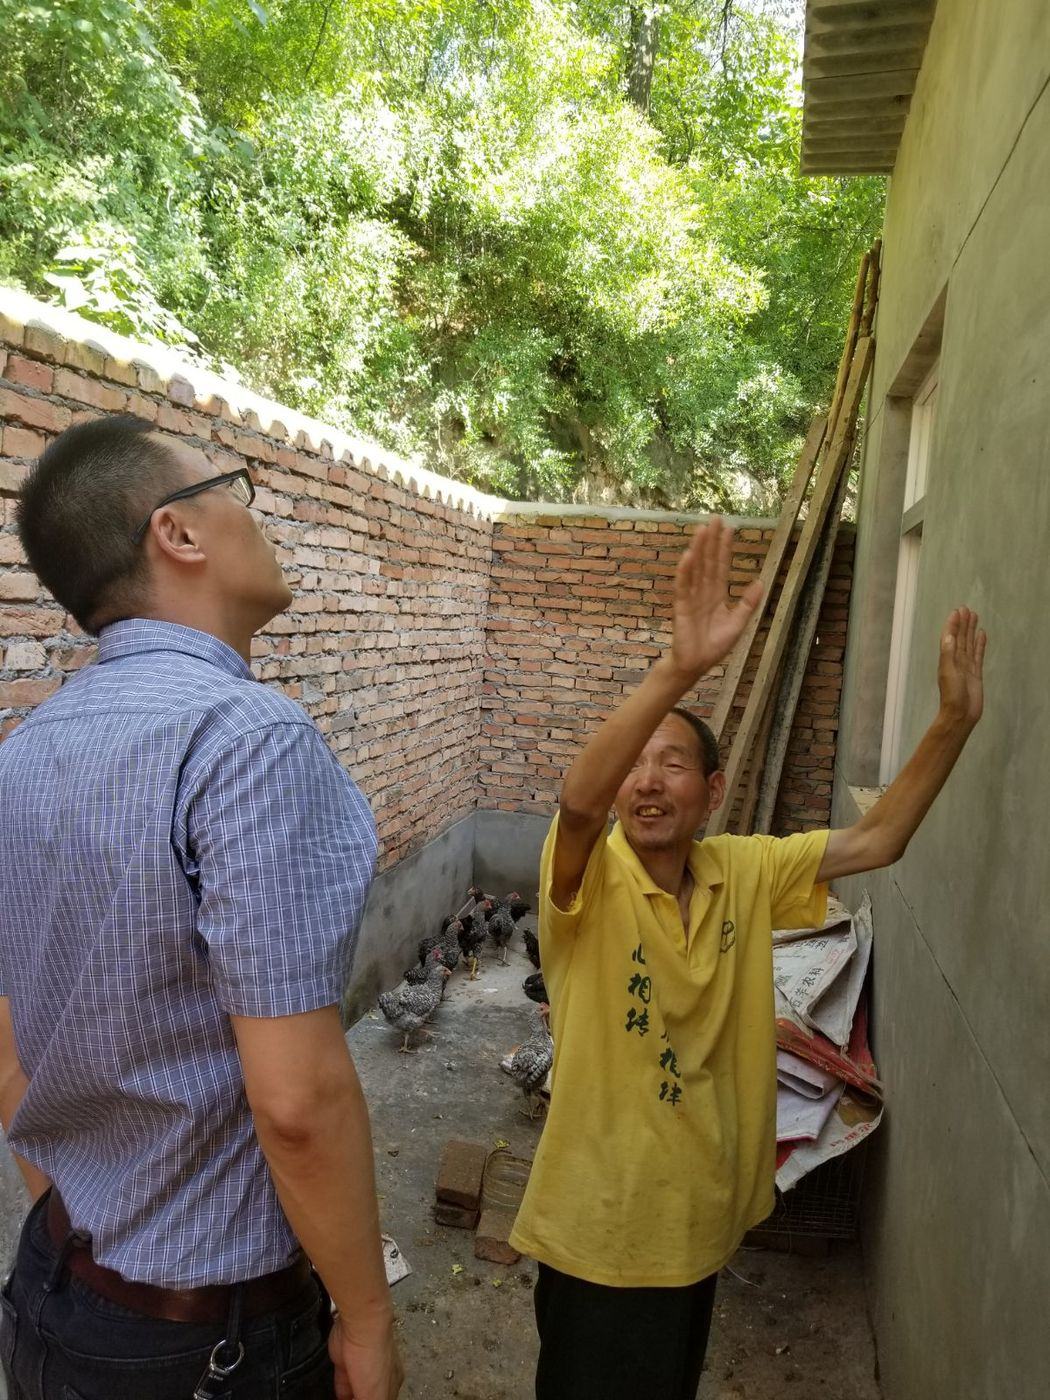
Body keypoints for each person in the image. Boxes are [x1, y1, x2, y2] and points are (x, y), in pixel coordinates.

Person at [510, 517, 986, 1400]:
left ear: (713, 792)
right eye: (635, 765)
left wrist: (953, 722)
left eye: (674, 764)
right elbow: (577, 806)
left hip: (697, 1222)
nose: (648, 781)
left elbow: (878, 839)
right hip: (599, 1229)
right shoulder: (589, 881)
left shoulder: (744, 869)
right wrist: (678, 669)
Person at [0, 415, 403, 1400]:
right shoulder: (246, 738)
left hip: (50, 1289)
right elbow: (297, 1103)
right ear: (177, 532)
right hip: (203, 1348)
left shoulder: (24, 752)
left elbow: (9, 1055)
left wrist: (88, 1229)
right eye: (234, 488)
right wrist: (367, 1319)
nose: (257, 516)